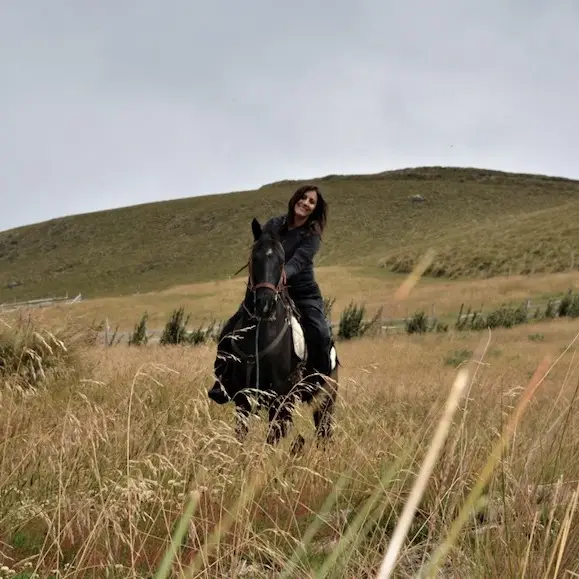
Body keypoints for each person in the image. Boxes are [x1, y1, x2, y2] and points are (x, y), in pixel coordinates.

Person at [209, 184, 333, 402]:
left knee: (321, 333)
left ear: (315, 209)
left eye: (311, 202)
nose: (306, 203)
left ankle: (316, 382)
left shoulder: (312, 234)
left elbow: (300, 261)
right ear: (295, 199)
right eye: (303, 198)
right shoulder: (274, 224)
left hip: (303, 293)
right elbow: (262, 247)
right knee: (230, 329)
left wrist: (284, 274)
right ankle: (223, 380)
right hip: (267, 289)